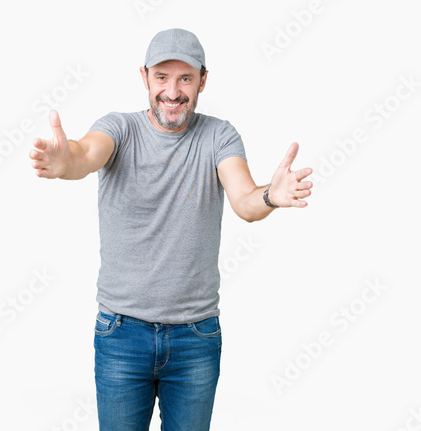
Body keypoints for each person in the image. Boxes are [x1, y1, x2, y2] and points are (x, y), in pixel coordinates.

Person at [29, 28, 313, 431]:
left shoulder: (219, 136)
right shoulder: (120, 129)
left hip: (195, 337)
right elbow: (86, 153)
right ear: (144, 77)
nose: (173, 91)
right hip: (121, 334)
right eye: (162, 77)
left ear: (203, 80)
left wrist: (270, 195)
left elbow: (246, 201)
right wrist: (65, 163)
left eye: (185, 78)